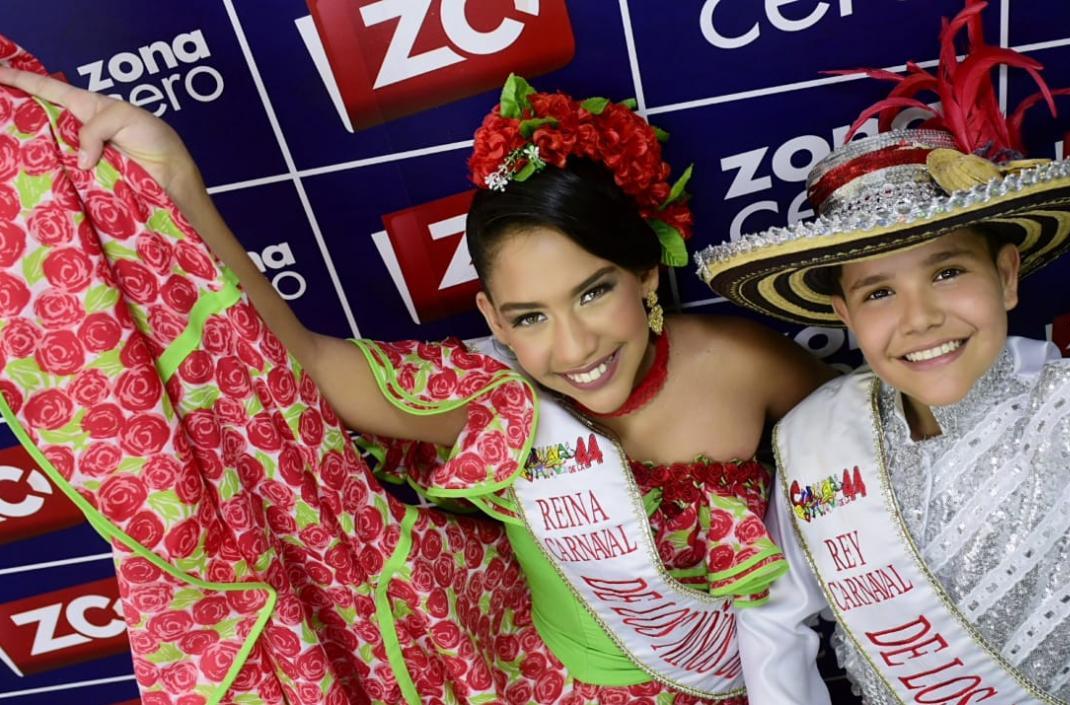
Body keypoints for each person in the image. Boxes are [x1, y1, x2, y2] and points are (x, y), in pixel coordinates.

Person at [0, 39, 833, 705]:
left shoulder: (747, 364)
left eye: (594, 291)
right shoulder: (489, 408)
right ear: (493, 322)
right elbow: (310, 361)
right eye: (530, 317)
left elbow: (854, 464)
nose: (574, 345)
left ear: (646, 276)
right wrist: (176, 175)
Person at [696, 4, 1070, 704]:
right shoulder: (818, 440)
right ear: (843, 315)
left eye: (946, 272)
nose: (920, 317)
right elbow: (773, 619)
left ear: (1008, 274)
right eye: (878, 293)